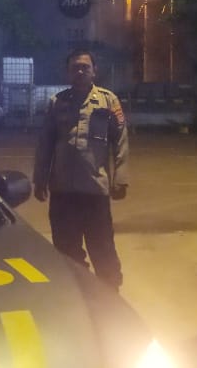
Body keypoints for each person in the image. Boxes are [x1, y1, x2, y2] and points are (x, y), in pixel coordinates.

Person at [33, 49, 129, 289]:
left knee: (102, 248)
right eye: (75, 67)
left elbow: (120, 141)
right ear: (67, 72)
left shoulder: (108, 101)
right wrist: (40, 179)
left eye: (85, 67)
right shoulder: (57, 102)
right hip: (62, 191)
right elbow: (45, 143)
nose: (80, 71)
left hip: (94, 190)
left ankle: (109, 293)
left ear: (94, 71)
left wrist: (120, 178)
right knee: (66, 249)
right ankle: (80, 291)